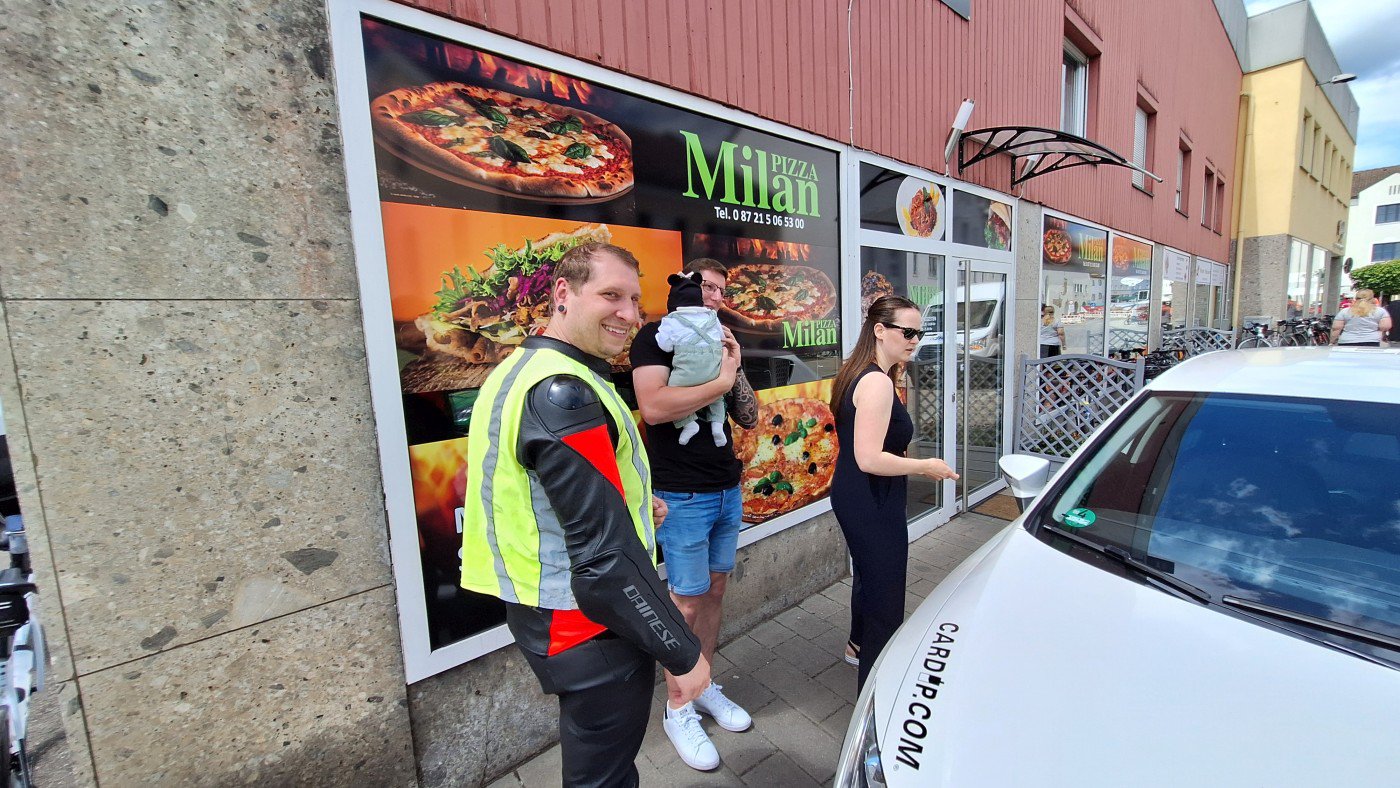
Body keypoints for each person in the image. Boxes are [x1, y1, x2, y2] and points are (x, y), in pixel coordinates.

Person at [460, 243, 710, 788]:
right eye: (611, 295)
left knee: (597, 766)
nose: (629, 314)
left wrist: (636, 506)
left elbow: (543, 493)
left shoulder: (525, 368)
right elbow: (603, 557)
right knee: (605, 777)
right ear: (563, 293)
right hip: (588, 621)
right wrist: (683, 652)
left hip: (550, 611)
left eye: (636, 300)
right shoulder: (562, 393)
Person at [630, 257, 758, 771]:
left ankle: (703, 685)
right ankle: (678, 707)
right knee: (684, 603)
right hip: (680, 494)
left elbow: (748, 416)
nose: (713, 295)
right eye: (704, 285)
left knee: (716, 591)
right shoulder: (655, 337)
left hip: (727, 487)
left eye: (721, 290)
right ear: (685, 286)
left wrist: (734, 364)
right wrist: (721, 381)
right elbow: (654, 407)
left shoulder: (723, 343)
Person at [829, 295, 958, 690]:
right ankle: (876, 693)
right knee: (886, 599)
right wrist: (924, 466)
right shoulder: (876, 382)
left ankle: (857, 645)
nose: (915, 340)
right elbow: (869, 458)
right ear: (880, 330)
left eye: (919, 332)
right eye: (908, 332)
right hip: (871, 496)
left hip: (855, 491)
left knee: (869, 577)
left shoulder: (857, 371)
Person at [655, 272, 727, 446]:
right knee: (718, 397)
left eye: (722, 291)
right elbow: (721, 338)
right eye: (708, 287)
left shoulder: (671, 320)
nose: (717, 297)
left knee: (672, 393)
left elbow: (665, 346)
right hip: (712, 364)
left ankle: (688, 423)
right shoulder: (712, 316)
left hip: (688, 367)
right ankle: (717, 426)